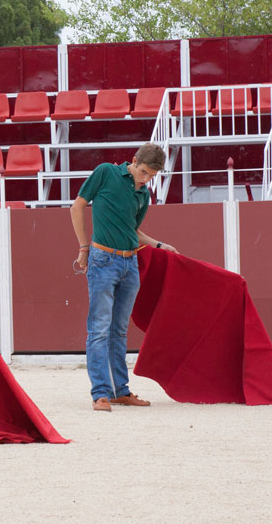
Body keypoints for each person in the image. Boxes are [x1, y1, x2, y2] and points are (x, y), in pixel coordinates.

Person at [70, 143, 179, 412]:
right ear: (133, 161)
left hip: (129, 264)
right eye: (143, 172)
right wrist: (84, 247)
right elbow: (77, 207)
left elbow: (134, 231)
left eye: (151, 176)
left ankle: (120, 390)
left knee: (118, 330)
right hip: (103, 259)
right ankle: (100, 393)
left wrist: (159, 245)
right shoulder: (106, 172)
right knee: (99, 329)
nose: (145, 179)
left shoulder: (144, 194)